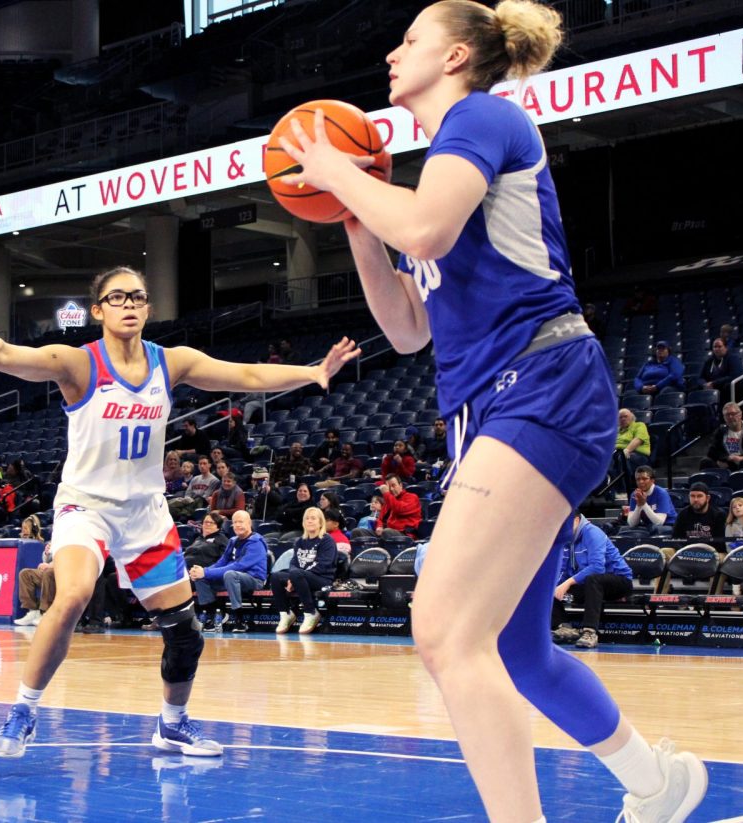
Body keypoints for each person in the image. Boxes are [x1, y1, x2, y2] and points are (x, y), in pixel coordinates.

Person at [278, 2, 707, 819]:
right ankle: (657, 782)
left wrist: (342, 174)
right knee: (519, 649)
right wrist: (358, 225)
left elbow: (431, 229)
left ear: (459, 55)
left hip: (541, 383)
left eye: (409, 39)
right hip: (497, 404)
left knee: (442, 629)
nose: (392, 53)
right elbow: (407, 330)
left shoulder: (481, 117)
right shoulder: (440, 164)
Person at [0, 268, 357, 759]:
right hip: (86, 507)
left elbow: (244, 375)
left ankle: (173, 724)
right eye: (117, 297)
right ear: (98, 310)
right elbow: (8, 356)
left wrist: (310, 373)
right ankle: (24, 710)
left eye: (138, 296)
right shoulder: (78, 364)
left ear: (148, 307)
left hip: (145, 515)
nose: (129, 304)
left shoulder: (170, 362)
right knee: (72, 594)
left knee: (186, 633)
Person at [551, 515, 634, 650]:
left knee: (593, 579)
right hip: (590, 585)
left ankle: (590, 632)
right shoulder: (567, 539)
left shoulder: (593, 532)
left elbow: (597, 567)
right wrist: (556, 586)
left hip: (619, 582)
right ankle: (564, 627)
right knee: (549, 587)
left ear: (576, 520)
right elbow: (562, 570)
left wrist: (567, 583)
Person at [189, 510, 268, 633]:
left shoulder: (256, 542)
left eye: (241, 522)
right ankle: (214, 615)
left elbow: (239, 566)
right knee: (200, 578)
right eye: (235, 522)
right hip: (231, 578)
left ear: (249, 523)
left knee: (230, 574)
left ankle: (239, 620)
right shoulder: (233, 541)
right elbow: (221, 562)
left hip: (254, 579)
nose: (237, 525)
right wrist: (202, 572)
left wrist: (206, 572)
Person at [269, 507, 337, 635]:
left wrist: (296, 576)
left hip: (322, 579)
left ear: (320, 522)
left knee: (296, 573)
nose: (309, 521)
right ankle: (285, 614)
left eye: (313, 518)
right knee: (276, 577)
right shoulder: (300, 541)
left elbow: (324, 565)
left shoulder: (327, 540)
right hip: (300, 576)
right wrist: (292, 578)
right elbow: (294, 563)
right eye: (307, 518)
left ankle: (311, 612)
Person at [700, 403, 743, 470]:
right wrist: (727, 458)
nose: (730, 417)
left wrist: (740, 459)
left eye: (733, 414)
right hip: (726, 462)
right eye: (727, 415)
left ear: (740, 415)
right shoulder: (721, 431)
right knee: (705, 462)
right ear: (724, 417)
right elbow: (712, 451)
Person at [15, 516, 53, 627]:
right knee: (25, 574)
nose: (23, 531)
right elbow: (46, 559)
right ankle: (32, 611)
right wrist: (46, 554)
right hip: (50, 570)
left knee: (48, 573)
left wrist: (50, 565)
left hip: (60, 572)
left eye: (26, 528)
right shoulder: (54, 541)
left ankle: (44, 612)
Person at [623, 466, 677, 536]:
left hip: (668, 525)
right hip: (648, 526)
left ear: (652, 480)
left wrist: (644, 504)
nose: (641, 482)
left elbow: (659, 522)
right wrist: (638, 506)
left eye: (644, 479)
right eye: (638, 479)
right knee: (624, 530)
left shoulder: (661, 493)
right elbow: (632, 524)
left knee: (655, 529)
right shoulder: (635, 494)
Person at [672, 483, 726, 548]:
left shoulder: (719, 514)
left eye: (699, 496)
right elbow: (675, 539)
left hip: (711, 552)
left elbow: (720, 542)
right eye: (692, 496)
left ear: (708, 498)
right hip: (687, 552)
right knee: (666, 551)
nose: (695, 499)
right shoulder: (683, 513)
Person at [615, 408, 651, 474]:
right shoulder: (616, 431)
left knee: (622, 458)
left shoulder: (639, 425)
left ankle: (625, 483)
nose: (623, 419)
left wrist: (627, 450)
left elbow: (638, 439)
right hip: (617, 453)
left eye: (625, 416)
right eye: (620, 417)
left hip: (637, 454)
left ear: (632, 417)